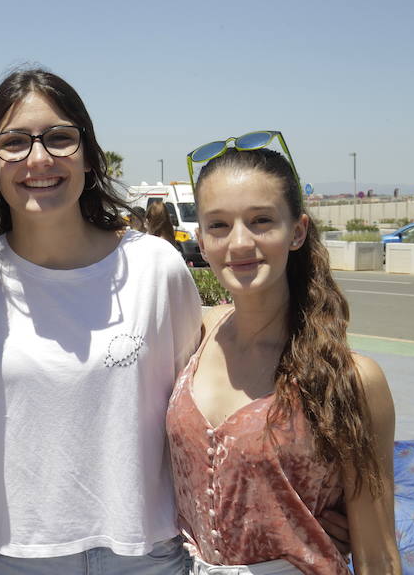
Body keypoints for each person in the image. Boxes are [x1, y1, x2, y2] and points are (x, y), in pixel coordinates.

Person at [0, 68, 202, 574]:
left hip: (146, 554)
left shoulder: (156, 267)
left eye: (60, 138)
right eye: (15, 142)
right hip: (17, 556)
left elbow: (199, 406)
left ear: (89, 156)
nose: (39, 158)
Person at [167, 135, 399, 574]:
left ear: (297, 231)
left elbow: (377, 554)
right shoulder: (190, 333)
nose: (239, 243)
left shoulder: (350, 380)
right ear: (200, 238)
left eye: (260, 221)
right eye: (218, 225)